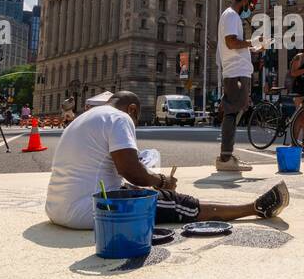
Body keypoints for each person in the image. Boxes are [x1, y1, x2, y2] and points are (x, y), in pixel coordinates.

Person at [46, 90, 289, 230]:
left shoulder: (87, 117)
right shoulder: (120, 118)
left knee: (134, 190)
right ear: (131, 109)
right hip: (87, 212)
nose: (136, 123)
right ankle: (254, 208)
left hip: (57, 207)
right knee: (177, 203)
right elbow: (132, 172)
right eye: (137, 117)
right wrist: (161, 181)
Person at [215, 0, 263, 174]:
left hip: (236, 70)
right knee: (232, 111)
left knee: (234, 109)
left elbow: (235, 44)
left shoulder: (230, 16)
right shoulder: (232, 16)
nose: (250, 10)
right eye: (251, 5)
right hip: (235, 71)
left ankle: (227, 155)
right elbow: (231, 42)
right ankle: (226, 157)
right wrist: (253, 42)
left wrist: (253, 47)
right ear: (245, 1)